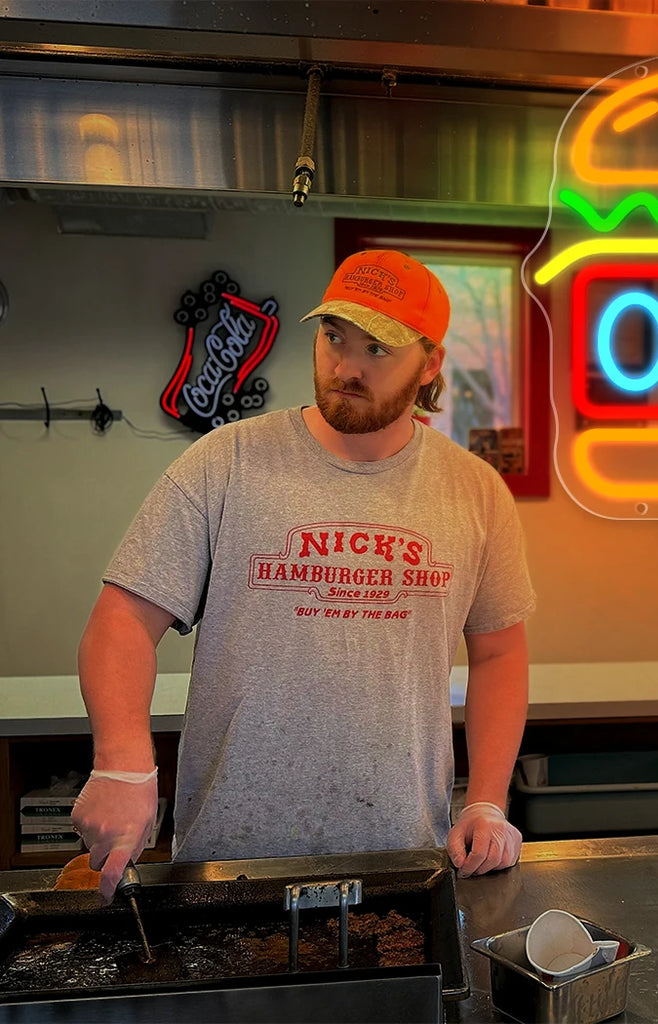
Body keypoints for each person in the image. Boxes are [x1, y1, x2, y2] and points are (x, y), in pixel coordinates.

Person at [71, 249, 535, 903]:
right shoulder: (226, 462)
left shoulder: (475, 491)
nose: (346, 367)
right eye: (334, 337)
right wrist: (122, 763)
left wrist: (487, 799)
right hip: (228, 868)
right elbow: (122, 619)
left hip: (402, 865)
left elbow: (498, 653)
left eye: (377, 349)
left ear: (430, 364)